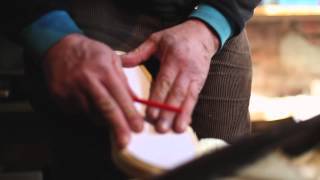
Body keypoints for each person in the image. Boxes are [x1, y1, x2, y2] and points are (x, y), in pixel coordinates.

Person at [1, 0, 259, 179]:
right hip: (78, 18)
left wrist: (211, 26)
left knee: (230, 168)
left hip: (211, 16)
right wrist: (52, 35)